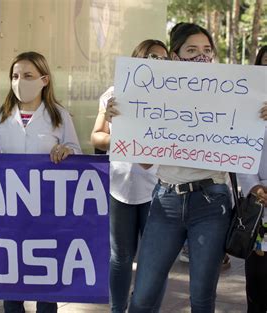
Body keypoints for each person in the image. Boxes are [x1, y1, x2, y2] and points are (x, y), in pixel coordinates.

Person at [118, 23, 267, 312]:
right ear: (175, 57)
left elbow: (247, 149)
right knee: (143, 296)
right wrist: (124, 119)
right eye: (192, 50)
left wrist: (261, 116)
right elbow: (146, 161)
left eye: (207, 51)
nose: (201, 56)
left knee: (202, 298)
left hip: (212, 203)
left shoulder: (233, 95)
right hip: (166, 202)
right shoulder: (154, 98)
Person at [0, 51, 81, 313]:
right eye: (15, 75)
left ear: (44, 80)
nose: (20, 81)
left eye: (28, 76)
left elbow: (75, 151)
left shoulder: (59, 116)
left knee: (46, 280)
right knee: (11, 281)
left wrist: (66, 151)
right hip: (9, 211)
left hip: (46, 211)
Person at [90, 39, 168, 313]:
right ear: (135, 59)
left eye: (162, 58)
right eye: (150, 56)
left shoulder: (171, 99)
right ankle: (117, 309)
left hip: (157, 189)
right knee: (120, 257)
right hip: (119, 187)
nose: (155, 62)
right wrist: (121, 137)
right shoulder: (113, 94)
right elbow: (97, 137)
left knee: (155, 259)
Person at [237, 45, 267, 313]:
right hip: (261, 208)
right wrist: (255, 187)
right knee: (258, 283)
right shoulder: (248, 107)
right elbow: (240, 153)